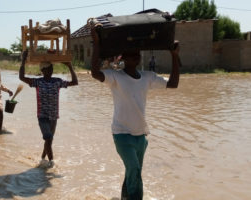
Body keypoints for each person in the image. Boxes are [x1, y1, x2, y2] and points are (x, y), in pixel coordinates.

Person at [90, 26, 180, 200]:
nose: (136, 56)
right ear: (123, 58)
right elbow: (95, 73)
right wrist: (96, 44)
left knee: (133, 172)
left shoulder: (147, 77)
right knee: (134, 170)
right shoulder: (115, 77)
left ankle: (125, 197)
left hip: (141, 137)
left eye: (137, 54)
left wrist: (174, 56)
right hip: (121, 134)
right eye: (131, 54)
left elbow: (173, 83)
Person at [19, 50, 78, 167]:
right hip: (43, 116)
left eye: (51, 68)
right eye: (48, 69)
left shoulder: (57, 81)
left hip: (54, 116)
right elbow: (21, 77)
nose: (51, 71)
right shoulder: (37, 82)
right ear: (42, 70)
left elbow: (75, 82)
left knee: (49, 140)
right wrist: (23, 60)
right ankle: (51, 163)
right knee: (48, 138)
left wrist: (70, 66)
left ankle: (42, 159)